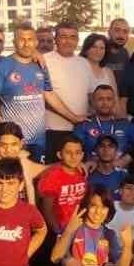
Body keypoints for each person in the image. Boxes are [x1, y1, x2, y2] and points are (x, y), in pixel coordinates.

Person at [0, 23, 62, 159]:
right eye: (22, 39)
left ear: (36, 42)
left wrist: (75, 118)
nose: (26, 44)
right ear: (14, 42)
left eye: (30, 39)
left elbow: (49, 94)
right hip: (12, 141)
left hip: (38, 140)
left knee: (37, 172)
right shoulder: (2, 65)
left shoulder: (40, 64)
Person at [42, 22, 94, 162]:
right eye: (63, 36)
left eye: (72, 37)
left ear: (77, 41)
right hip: (53, 130)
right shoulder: (44, 61)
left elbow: (90, 95)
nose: (68, 41)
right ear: (56, 39)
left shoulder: (84, 63)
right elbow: (45, 96)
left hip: (80, 130)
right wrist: (73, 117)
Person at [36, 135, 88, 236]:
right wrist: (58, 231)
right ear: (60, 155)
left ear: (82, 155)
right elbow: (47, 209)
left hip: (79, 228)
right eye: (68, 152)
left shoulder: (82, 173)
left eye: (77, 153)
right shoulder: (52, 176)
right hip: (58, 230)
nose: (73, 157)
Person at [73, 85, 134, 158]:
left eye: (109, 99)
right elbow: (74, 151)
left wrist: (125, 160)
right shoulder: (84, 125)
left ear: (114, 102)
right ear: (93, 102)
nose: (105, 103)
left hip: (120, 165)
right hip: (92, 164)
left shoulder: (126, 125)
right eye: (100, 99)